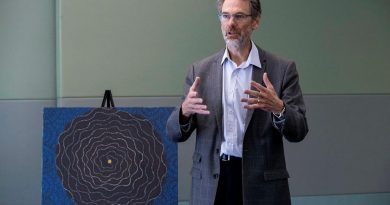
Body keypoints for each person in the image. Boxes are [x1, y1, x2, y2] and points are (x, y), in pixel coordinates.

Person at [166, 0, 308, 204]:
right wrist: (184, 113)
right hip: (211, 183)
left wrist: (279, 109)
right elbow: (173, 132)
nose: (230, 23)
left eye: (239, 16)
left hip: (263, 185)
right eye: (225, 16)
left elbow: (299, 130)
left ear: (255, 21)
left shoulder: (282, 69)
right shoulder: (200, 71)